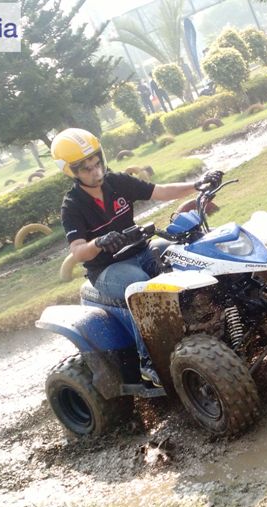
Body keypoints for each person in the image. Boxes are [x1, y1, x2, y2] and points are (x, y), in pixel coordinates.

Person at [52, 127, 221, 380]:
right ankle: (148, 361)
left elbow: (160, 191)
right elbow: (78, 251)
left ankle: (210, 322)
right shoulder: (72, 206)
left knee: (184, 253)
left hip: (142, 250)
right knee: (141, 286)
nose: (96, 172)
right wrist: (99, 242)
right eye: (87, 169)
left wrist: (198, 185)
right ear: (72, 172)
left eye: (97, 163)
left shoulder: (117, 182)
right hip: (106, 269)